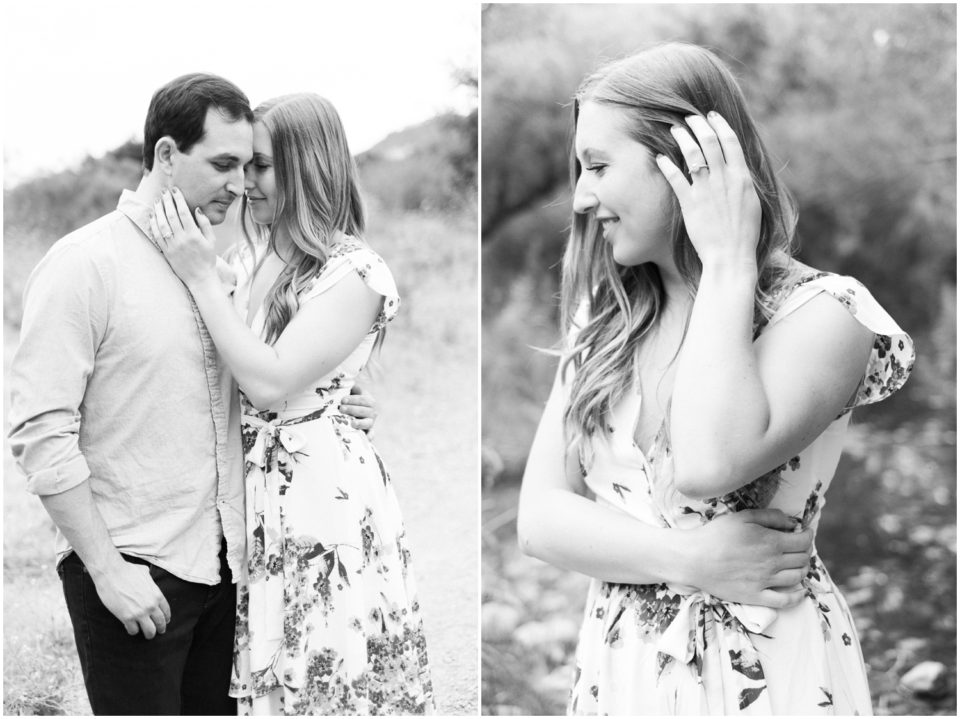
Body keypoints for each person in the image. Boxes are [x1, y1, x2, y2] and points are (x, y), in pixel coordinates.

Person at [517, 43, 914, 715]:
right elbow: (538, 519)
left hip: (767, 677)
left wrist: (728, 263)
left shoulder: (829, 316)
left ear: (686, 164)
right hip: (623, 672)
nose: (582, 197)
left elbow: (707, 463)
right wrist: (687, 559)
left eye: (598, 166)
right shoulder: (606, 319)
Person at [7, 73, 376, 716]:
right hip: (135, 572)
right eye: (224, 164)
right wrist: (108, 572)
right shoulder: (84, 264)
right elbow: (40, 433)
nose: (239, 185)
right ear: (167, 156)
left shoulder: (219, 265)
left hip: (229, 570)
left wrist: (339, 400)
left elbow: (264, 377)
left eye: (248, 166)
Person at [152, 92, 434, 715]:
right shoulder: (244, 259)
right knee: (268, 676)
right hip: (248, 490)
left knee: (324, 670)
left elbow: (271, 382)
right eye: (243, 165)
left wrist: (200, 277)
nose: (245, 183)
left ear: (310, 166)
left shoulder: (354, 271)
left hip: (316, 495)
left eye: (263, 166)